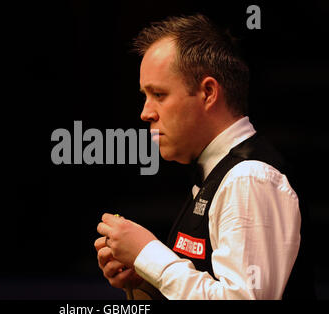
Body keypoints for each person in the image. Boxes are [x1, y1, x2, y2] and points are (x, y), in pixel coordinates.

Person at [94, 14, 315, 299]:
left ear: (208, 92)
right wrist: (146, 280)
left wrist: (150, 255)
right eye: (145, 96)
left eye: (159, 94)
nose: (145, 112)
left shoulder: (249, 178)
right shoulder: (218, 171)